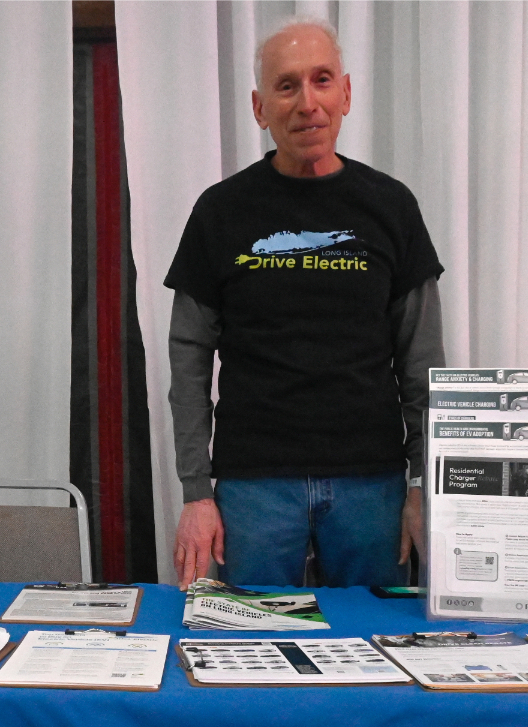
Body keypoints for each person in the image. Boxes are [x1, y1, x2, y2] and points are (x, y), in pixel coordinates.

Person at [164, 16, 445, 590]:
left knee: (374, 637)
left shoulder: (392, 207)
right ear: (259, 107)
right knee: (253, 638)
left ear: (346, 93)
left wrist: (423, 486)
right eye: (286, 85)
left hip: (372, 485)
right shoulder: (220, 212)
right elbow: (187, 362)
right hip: (255, 488)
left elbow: (422, 365)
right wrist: (196, 492)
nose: (307, 103)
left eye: (321, 80)